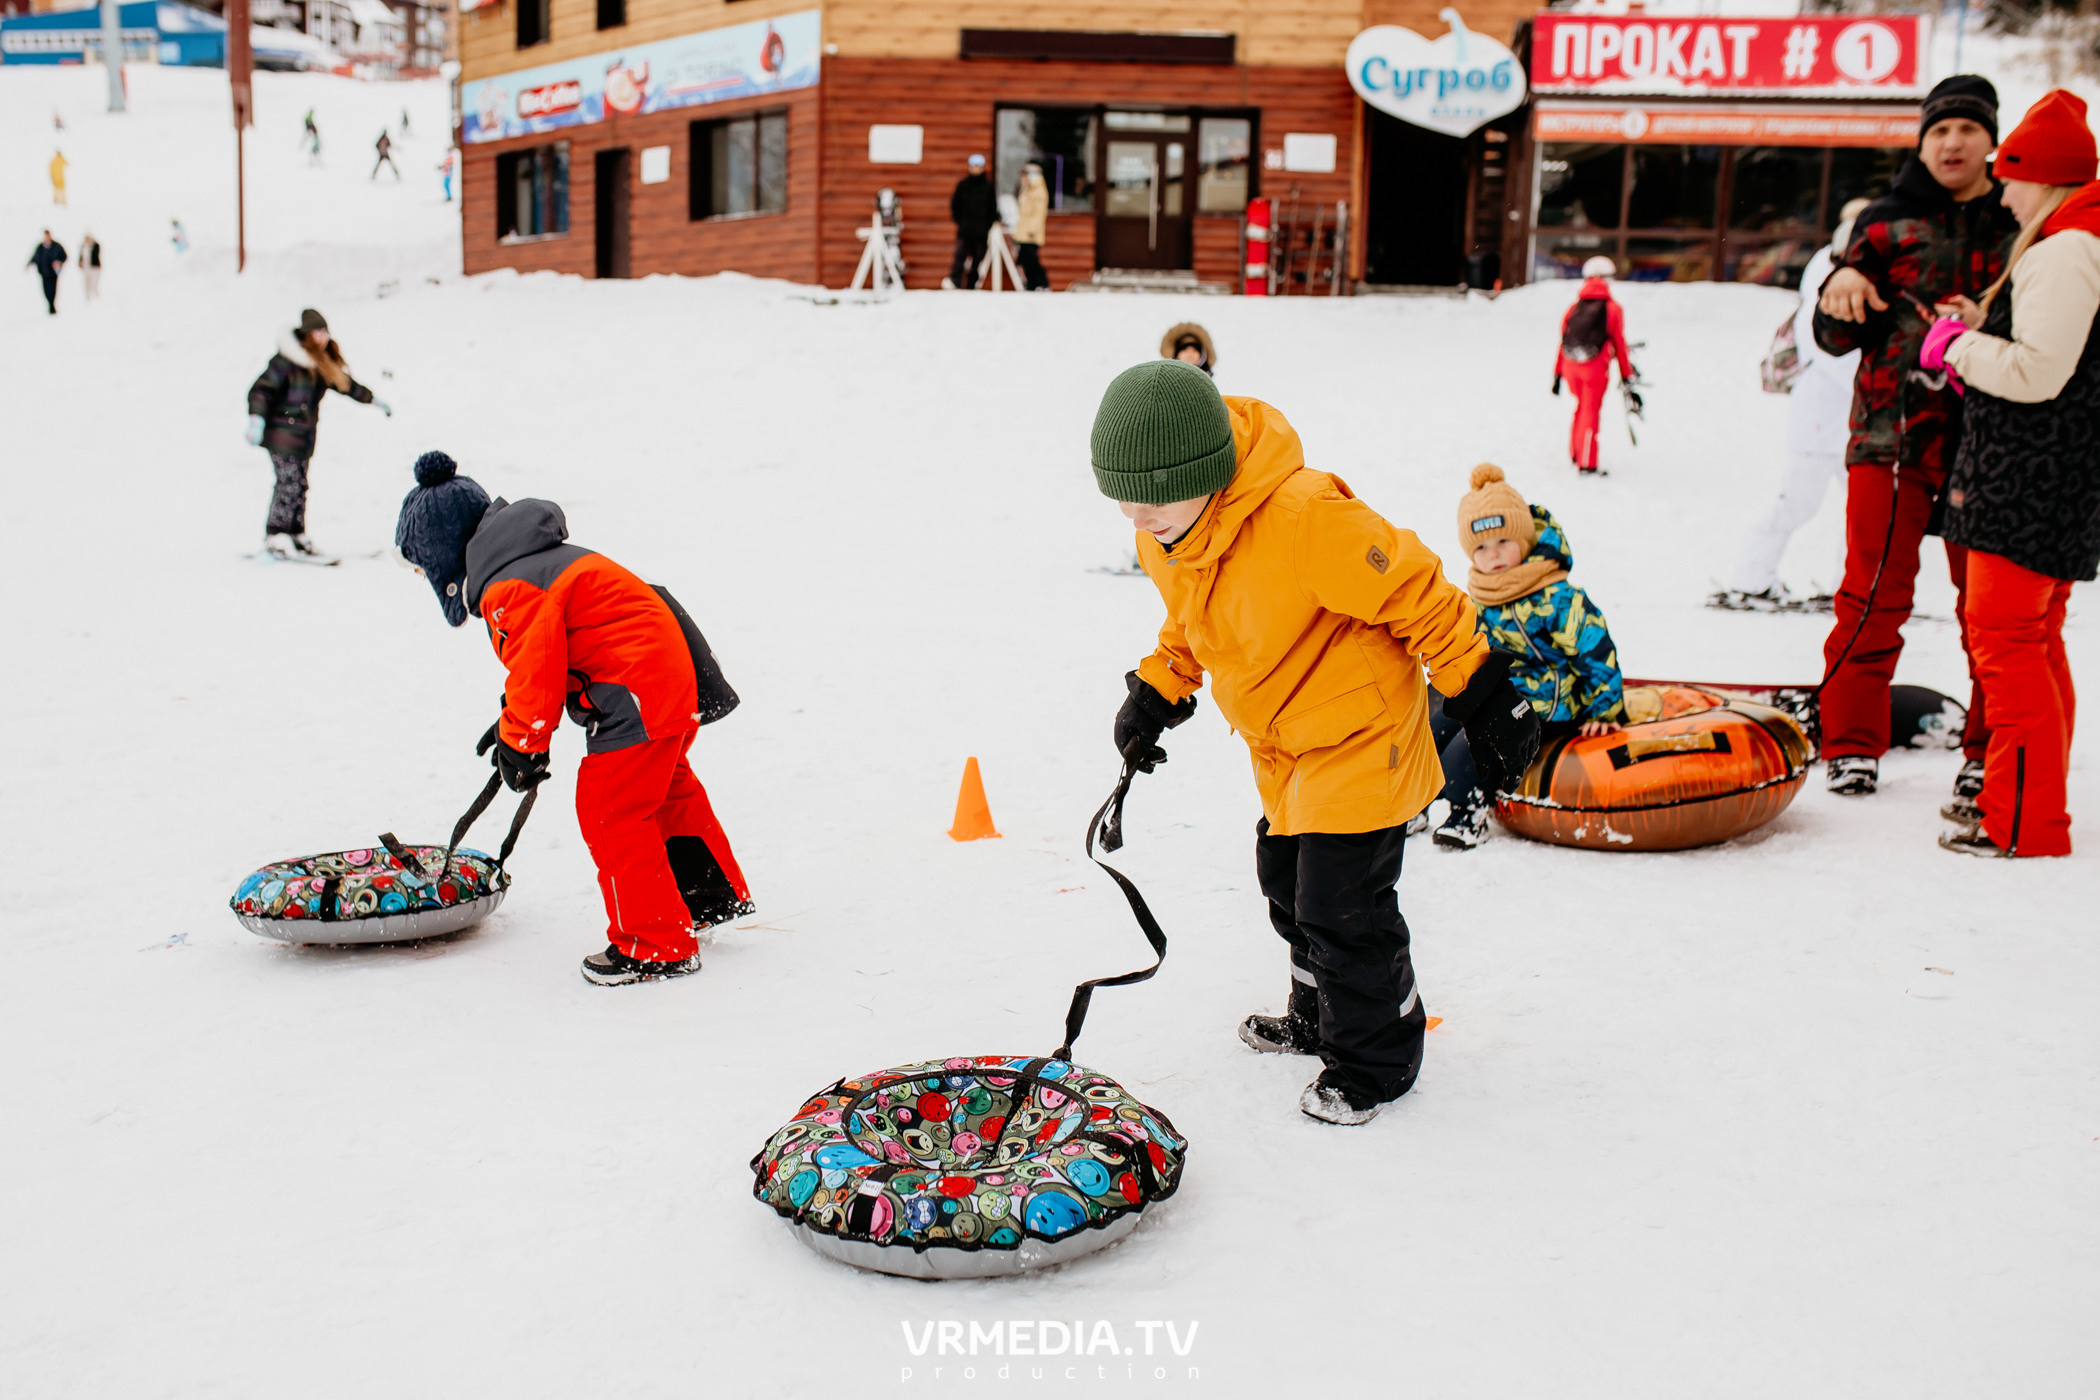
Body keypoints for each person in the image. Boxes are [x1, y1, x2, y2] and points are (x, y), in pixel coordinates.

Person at [1095, 360, 1540, 1125]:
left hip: (1360, 731)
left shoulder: (1304, 516)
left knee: (1344, 905)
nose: (1137, 518)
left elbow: (1416, 589)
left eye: (1151, 498)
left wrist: (1484, 691)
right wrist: (1158, 689)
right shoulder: (1168, 536)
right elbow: (1191, 620)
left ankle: (1377, 1058)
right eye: (1122, 501)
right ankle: (1317, 1014)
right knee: (1286, 881)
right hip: (1283, 743)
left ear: (1207, 472)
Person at [393, 462, 754, 984]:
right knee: (662, 791)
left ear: (444, 552)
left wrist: (523, 740)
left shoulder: (510, 585)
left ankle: (656, 944)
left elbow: (536, 672)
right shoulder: (534, 562)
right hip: (668, 677)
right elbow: (550, 656)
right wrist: (513, 724)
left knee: (612, 809)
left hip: (637, 688)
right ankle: (702, 898)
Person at [1812, 75, 2017, 801]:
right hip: (1889, 441)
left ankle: (1987, 749)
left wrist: (1991, 321)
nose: (1952, 143)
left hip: (1991, 445)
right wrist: (1836, 291)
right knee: (1870, 597)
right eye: (1938, 131)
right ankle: (1850, 743)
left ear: (1992, 139)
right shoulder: (1882, 225)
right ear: (1922, 142)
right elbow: (1833, 336)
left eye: (1967, 129)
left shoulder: (2020, 221)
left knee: (1989, 609)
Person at [1920, 90, 2100, 857]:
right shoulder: (2073, 237)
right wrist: (1979, 328)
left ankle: (2022, 822)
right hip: (2047, 479)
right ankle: (2024, 802)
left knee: (2007, 648)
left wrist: (1957, 346)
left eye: (2012, 173)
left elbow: (2037, 373)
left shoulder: (2064, 247)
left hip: (2025, 483)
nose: (2003, 186)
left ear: (2046, 177)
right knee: (2035, 642)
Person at [1426, 465, 1626, 850]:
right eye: (1481, 547)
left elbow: (1595, 648)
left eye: (1503, 541)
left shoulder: (1556, 597)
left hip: (1556, 702)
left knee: (1476, 740)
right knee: (1441, 723)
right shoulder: (1482, 597)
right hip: (1507, 694)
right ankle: (1416, 805)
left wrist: (1603, 711)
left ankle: (1469, 812)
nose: (1493, 554)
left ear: (1525, 538)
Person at [1713, 198, 1871, 613]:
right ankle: (1751, 578)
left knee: (1860, 514)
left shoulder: (1838, 286)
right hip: (1823, 427)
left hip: (1844, 426)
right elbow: (1835, 359)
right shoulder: (1822, 296)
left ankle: (1853, 586)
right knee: (1795, 506)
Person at [245, 309, 391, 561]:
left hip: (303, 438)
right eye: (318, 332)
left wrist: (373, 400)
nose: (323, 337)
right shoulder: (286, 362)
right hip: (280, 435)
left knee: (299, 484)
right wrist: (256, 419)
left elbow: (347, 385)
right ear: (307, 334)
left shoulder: (320, 364)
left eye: (325, 332)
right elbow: (260, 390)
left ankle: (296, 533)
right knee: (288, 482)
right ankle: (276, 534)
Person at [1553, 255, 1636, 474]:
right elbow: (1619, 344)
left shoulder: (1573, 308)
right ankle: (1587, 463)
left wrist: (1557, 374)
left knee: (1580, 408)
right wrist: (1627, 375)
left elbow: (1562, 342)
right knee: (1591, 413)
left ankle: (1575, 452)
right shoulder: (1613, 309)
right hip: (1594, 370)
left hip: (1571, 367)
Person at [945, 154, 998, 290]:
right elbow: (955, 205)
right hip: (965, 228)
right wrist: (960, 221)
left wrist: (987, 225)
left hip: (981, 230)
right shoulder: (963, 185)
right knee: (960, 255)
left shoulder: (988, 187)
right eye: (973, 166)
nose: (976, 169)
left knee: (978, 257)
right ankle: (955, 280)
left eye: (978, 166)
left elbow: (993, 208)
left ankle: (971, 283)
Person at [1012, 162, 1050, 291]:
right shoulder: (1027, 190)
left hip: (1031, 232)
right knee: (1025, 259)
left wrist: (1031, 231)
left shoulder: (1038, 191)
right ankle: (1032, 283)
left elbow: (1038, 214)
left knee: (1031, 259)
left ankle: (1041, 283)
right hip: (1024, 231)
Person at [27, 231, 66, 315]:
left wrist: (58, 262)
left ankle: (52, 306)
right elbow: (35, 256)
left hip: (53, 273)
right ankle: (50, 304)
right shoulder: (40, 247)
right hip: (43, 272)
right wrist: (29, 264)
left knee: (53, 290)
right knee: (45, 290)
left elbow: (64, 256)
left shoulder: (56, 246)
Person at [78, 232, 101, 301]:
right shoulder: (83, 246)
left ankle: (97, 297)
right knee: (86, 283)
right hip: (86, 268)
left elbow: (95, 254)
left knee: (94, 283)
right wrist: (80, 262)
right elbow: (81, 256)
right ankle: (87, 298)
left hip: (94, 268)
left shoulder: (95, 245)